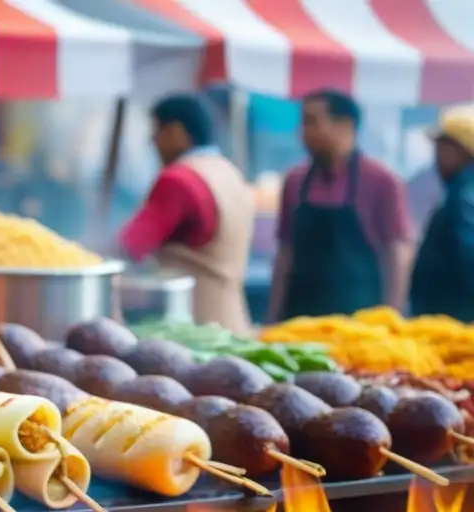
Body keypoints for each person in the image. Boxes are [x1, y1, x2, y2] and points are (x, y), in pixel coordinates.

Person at [267, 91, 413, 321]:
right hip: (300, 319)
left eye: (312, 121)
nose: (303, 132)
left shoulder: (382, 181)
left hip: (359, 322)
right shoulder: (294, 181)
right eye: (303, 123)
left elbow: (397, 252)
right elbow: (285, 252)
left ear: (345, 125)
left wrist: (391, 316)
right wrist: (272, 317)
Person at [118, 94, 255, 335]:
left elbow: (130, 246)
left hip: (194, 332)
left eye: (157, 131)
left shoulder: (179, 180)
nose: (152, 142)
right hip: (234, 325)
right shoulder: (228, 171)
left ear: (177, 132)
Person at [409, 107, 474, 320]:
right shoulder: (458, 190)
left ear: (462, 149)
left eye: (441, 147)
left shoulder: (465, 195)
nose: (436, 157)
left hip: (455, 319)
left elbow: (467, 260)